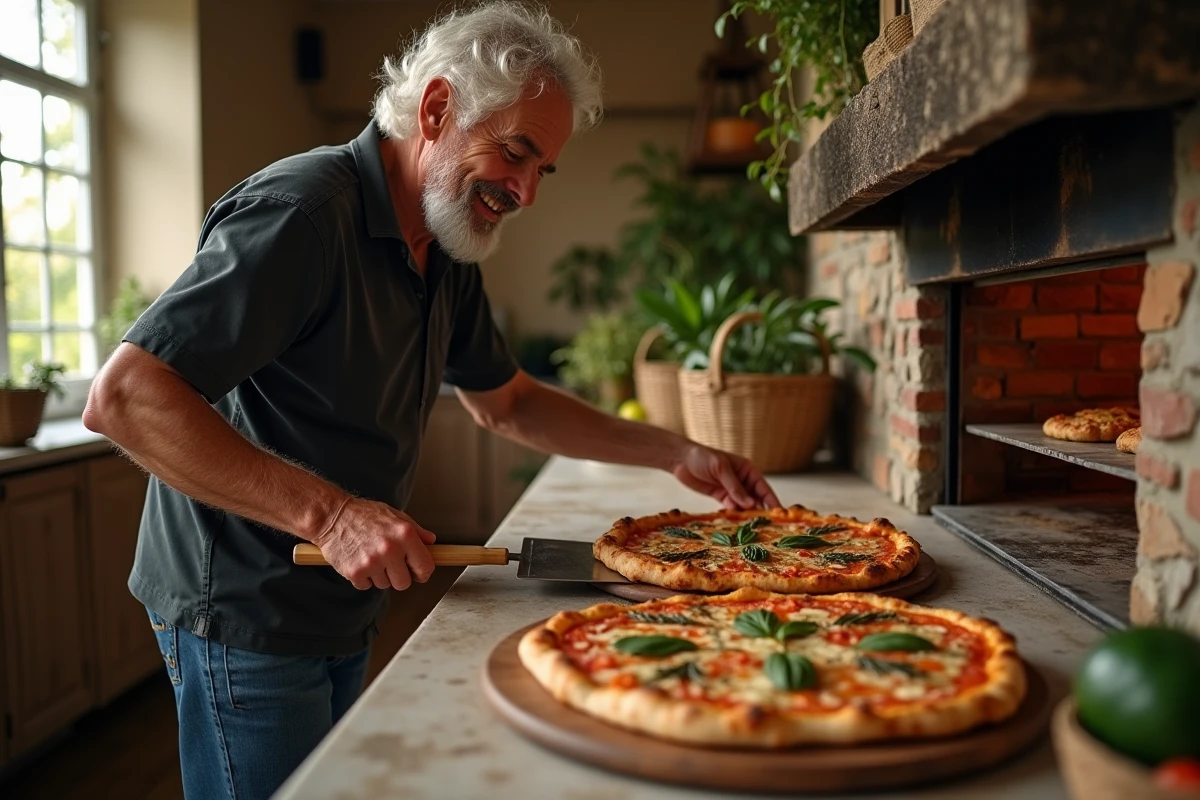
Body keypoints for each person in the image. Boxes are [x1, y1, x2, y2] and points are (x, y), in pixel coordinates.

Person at [83, 2, 780, 798]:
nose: (525, 192)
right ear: (438, 109)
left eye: (541, 169)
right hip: (245, 606)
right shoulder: (304, 216)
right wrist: (335, 518)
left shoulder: (447, 246)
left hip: (342, 599)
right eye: (515, 154)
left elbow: (509, 403)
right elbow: (126, 397)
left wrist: (679, 452)